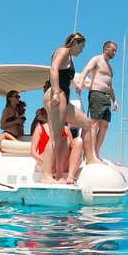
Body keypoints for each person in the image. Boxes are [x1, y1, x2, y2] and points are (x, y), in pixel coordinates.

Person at [44, 32, 103, 181]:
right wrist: (57, 92)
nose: (81, 51)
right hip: (57, 95)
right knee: (55, 137)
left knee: (87, 124)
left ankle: (90, 159)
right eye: (81, 48)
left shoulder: (69, 56)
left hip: (64, 97)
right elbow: (53, 69)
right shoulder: (63, 51)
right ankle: (46, 175)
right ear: (75, 43)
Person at [77, 41, 119, 160]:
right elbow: (85, 70)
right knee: (94, 124)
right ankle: (92, 155)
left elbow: (110, 85)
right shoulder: (97, 59)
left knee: (104, 125)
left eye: (116, 50)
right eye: (113, 50)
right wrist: (80, 83)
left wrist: (115, 100)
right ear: (106, 49)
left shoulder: (110, 67)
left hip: (106, 97)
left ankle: (96, 152)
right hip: (96, 93)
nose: (115, 52)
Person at [30, 107, 55, 183]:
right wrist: (45, 162)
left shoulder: (64, 129)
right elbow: (33, 152)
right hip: (43, 160)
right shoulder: (39, 129)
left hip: (57, 162)